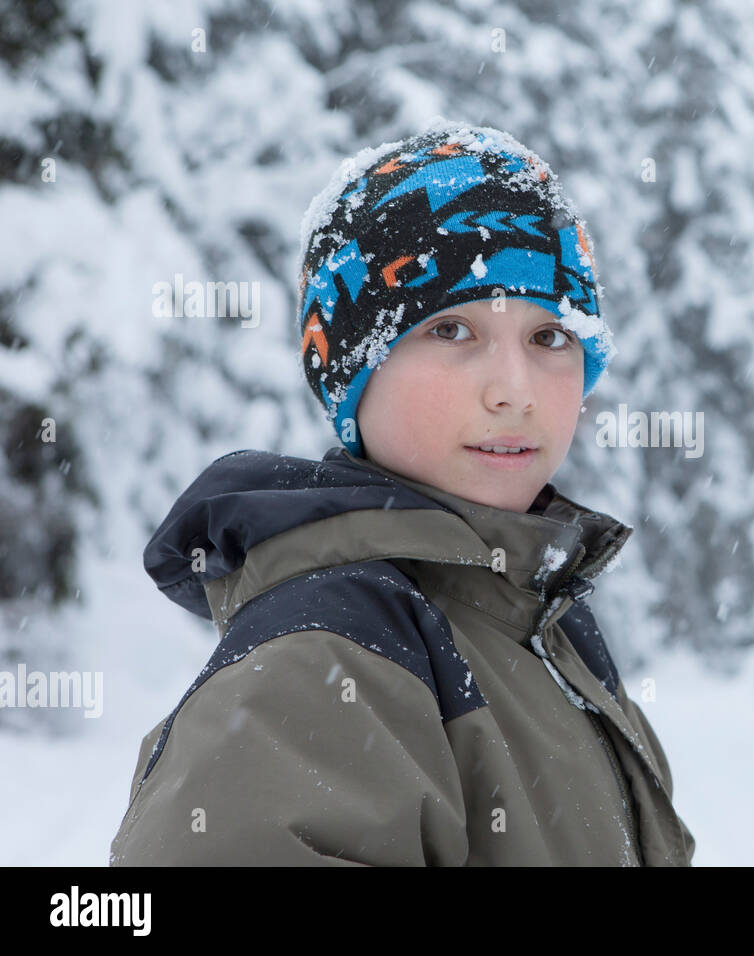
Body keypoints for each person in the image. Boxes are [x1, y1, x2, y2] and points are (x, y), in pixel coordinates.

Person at [109, 119, 695, 866]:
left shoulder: (545, 629)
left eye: (550, 337)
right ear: (353, 372)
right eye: (452, 330)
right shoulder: (324, 660)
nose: (515, 391)